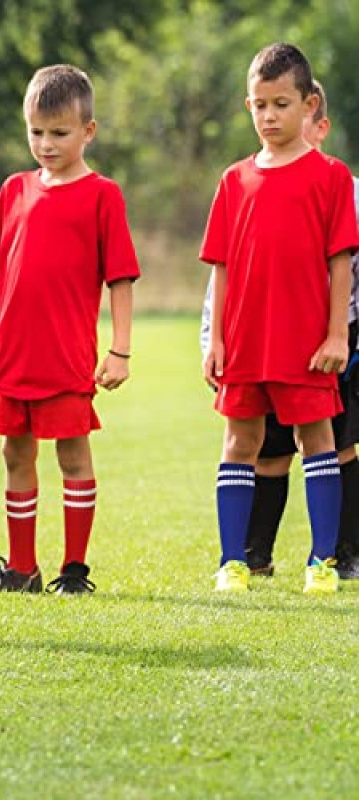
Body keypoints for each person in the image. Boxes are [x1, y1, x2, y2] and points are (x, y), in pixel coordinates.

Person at [0, 64, 140, 595]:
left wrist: (120, 350)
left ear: (88, 131)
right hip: (12, 354)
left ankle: (74, 570)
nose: (46, 143)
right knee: (15, 453)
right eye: (36, 132)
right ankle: (21, 569)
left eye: (59, 133)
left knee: (73, 453)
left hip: (65, 355)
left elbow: (121, 279)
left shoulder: (103, 195)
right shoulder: (13, 190)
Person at [201, 43, 359, 594]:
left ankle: (321, 562)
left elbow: (341, 263)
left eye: (281, 104)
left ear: (309, 104)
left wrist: (337, 332)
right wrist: (215, 339)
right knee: (239, 442)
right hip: (244, 342)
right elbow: (220, 268)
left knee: (315, 439)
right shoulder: (233, 180)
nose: (268, 117)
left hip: (306, 342)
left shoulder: (332, 177)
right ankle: (233, 562)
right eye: (259, 105)